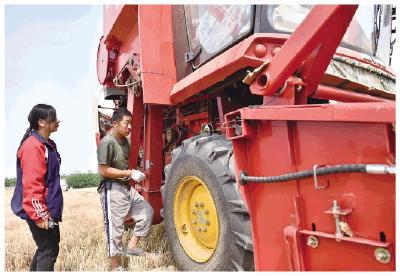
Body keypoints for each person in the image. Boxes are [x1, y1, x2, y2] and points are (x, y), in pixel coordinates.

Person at [97, 107, 154, 271]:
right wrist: (130, 173)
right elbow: (104, 170)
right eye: (126, 123)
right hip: (112, 188)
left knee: (146, 212)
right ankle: (116, 268)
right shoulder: (106, 142)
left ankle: (132, 246)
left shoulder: (125, 142)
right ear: (115, 123)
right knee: (115, 229)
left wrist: (134, 175)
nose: (130, 127)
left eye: (131, 123)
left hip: (125, 187)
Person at [11, 103, 63, 271]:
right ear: (41, 122)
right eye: (53, 118)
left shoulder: (48, 144)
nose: (58, 121)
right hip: (40, 210)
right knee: (48, 250)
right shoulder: (33, 146)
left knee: (47, 249)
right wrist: (40, 215)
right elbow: (32, 184)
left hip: (48, 207)